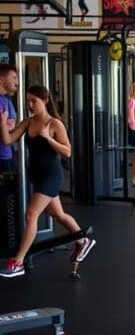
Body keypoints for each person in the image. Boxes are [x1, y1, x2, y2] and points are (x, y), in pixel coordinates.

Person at [0, 85, 95, 278]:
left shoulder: (54, 124)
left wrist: (48, 139)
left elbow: (67, 152)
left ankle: (18, 262)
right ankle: (83, 239)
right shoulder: (28, 123)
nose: (30, 105)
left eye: (33, 101)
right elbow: (8, 140)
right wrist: (2, 122)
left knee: (31, 214)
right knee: (57, 213)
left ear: (44, 101)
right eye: (27, 101)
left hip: (51, 175)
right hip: (37, 175)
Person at [0, 63, 19, 172]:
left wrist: (9, 125)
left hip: (7, 154)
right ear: (2, 79)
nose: (17, 82)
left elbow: (12, 124)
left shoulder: (6, 100)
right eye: (14, 77)